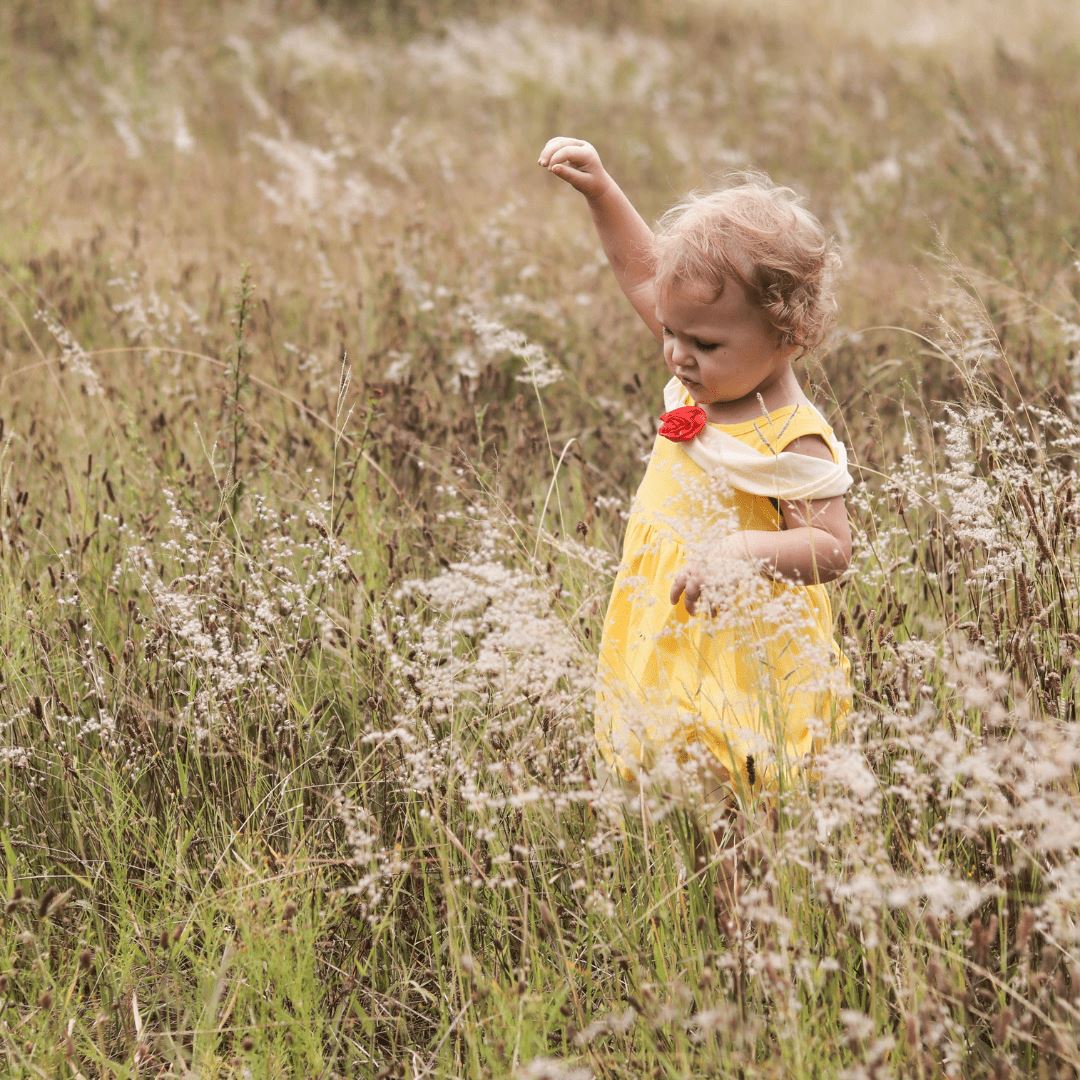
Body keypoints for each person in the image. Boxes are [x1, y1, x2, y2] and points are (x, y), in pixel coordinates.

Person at [538, 136, 855, 849]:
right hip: (674, 615)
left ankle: (748, 924)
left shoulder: (792, 435)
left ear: (790, 333)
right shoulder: (705, 363)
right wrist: (601, 190)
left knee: (744, 787)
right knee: (675, 774)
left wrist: (745, 550)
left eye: (702, 343)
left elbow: (833, 549)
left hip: (745, 644)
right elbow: (639, 269)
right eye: (671, 332)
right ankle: (684, 889)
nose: (677, 352)